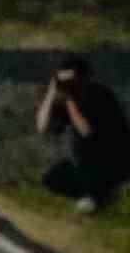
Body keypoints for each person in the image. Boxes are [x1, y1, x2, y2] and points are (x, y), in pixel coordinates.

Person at [35, 55, 130, 214]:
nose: (69, 86)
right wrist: (52, 93)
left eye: (73, 81)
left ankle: (102, 195)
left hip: (112, 160)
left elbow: (87, 132)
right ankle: (98, 195)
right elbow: (43, 128)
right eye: (64, 82)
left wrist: (71, 101)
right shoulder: (67, 97)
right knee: (51, 178)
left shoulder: (101, 95)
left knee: (94, 173)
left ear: (85, 78)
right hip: (83, 162)